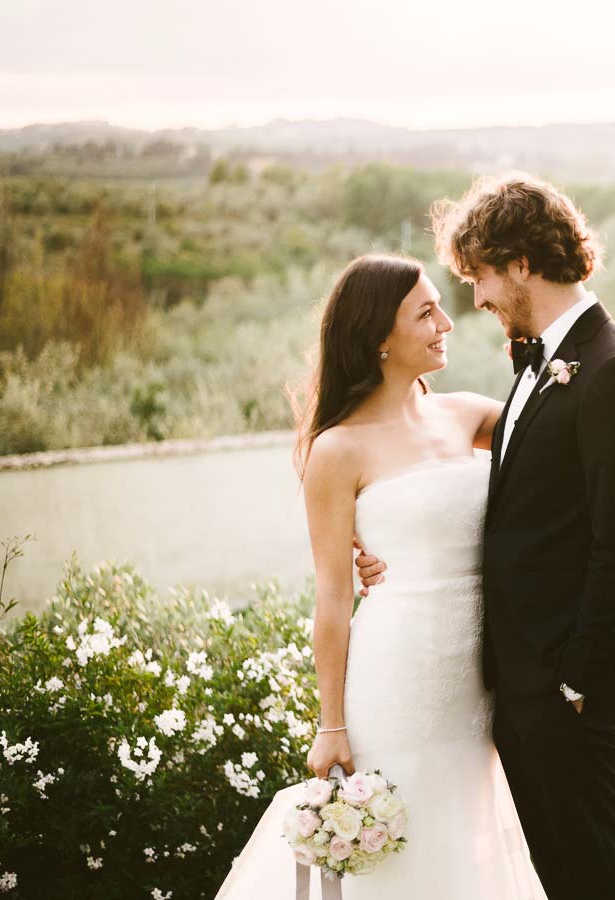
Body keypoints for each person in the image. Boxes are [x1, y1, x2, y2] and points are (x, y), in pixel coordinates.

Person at [355, 172, 615, 899]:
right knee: (559, 875)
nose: (478, 299)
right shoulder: (541, 361)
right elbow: (502, 501)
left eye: (482, 277)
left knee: (600, 878)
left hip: (567, 681)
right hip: (519, 677)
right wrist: (375, 536)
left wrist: (576, 682)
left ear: (523, 262)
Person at [214, 253, 547, 899]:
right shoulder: (337, 451)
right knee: (406, 852)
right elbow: (335, 596)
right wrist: (330, 724)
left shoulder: (468, 415)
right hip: (399, 679)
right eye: (425, 312)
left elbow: (557, 450)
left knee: (468, 833)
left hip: (483, 675)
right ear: (378, 339)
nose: (447, 322)